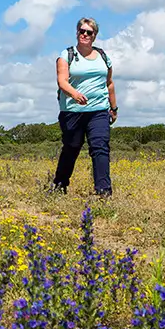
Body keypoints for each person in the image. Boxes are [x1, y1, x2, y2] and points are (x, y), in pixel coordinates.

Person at [51, 17, 118, 197]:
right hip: (72, 110)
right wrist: (74, 94)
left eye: (89, 32)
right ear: (77, 32)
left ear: (94, 35)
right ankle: (59, 184)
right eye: (82, 31)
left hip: (99, 110)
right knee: (72, 147)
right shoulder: (67, 55)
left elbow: (109, 83)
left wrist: (114, 108)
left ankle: (104, 191)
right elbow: (61, 80)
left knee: (100, 146)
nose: (85, 35)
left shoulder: (103, 57)